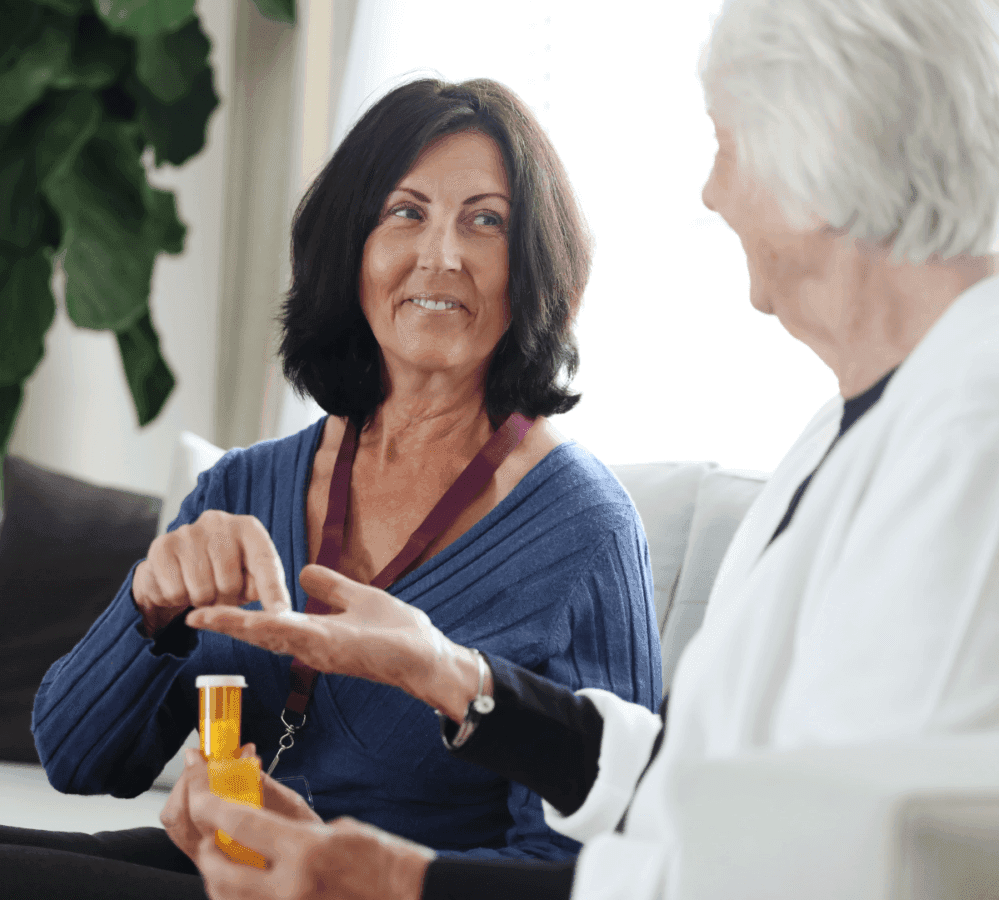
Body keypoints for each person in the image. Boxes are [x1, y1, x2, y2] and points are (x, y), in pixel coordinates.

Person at [176, 0, 999, 898]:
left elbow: (821, 870)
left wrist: (400, 883)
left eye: (727, 141)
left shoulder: (969, 443)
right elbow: (697, 783)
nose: (711, 192)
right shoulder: (864, 418)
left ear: (826, 149)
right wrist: (453, 677)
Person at [0, 79, 663, 898]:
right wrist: (148, 606)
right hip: (224, 871)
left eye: (485, 221)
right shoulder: (245, 485)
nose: (441, 255)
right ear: (351, 249)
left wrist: (355, 870)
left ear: (532, 265)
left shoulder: (584, 532)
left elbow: (590, 873)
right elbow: (76, 760)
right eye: (405, 212)